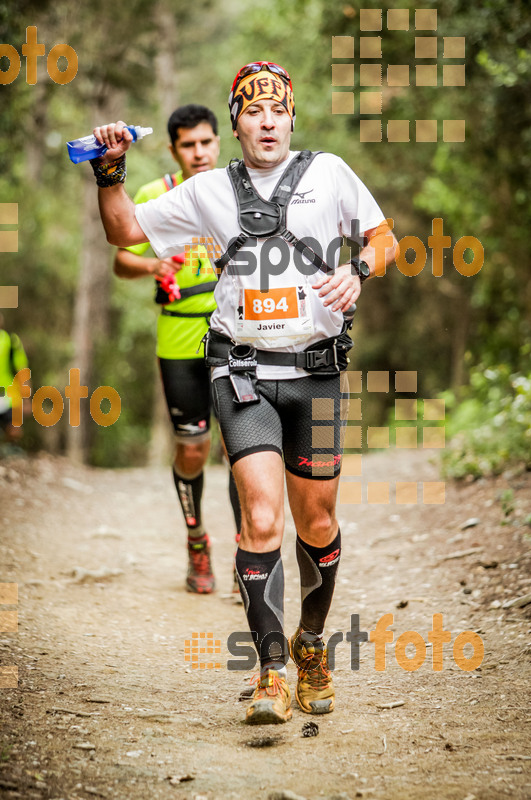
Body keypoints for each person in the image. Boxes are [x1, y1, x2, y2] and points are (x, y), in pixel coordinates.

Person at [89, 61, 399, 725]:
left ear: (290, 117)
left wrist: (358, 270)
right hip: (242, 374)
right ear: (235, 122)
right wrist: (108, 171)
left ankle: (310, 643)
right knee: (261, 517)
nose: (266, 120)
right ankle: (269, 673)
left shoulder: (329, 172)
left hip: (315, 373)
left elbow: (383, 237)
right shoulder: (207, 190)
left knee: (315, 522)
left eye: (277, 110)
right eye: (252, 111)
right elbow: (123, 233)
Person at [113, 104, 241, 595]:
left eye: (207, 142)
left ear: (218, 142)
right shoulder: (154, 195)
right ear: (173, 150)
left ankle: (245, 550)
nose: (199, 152)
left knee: (240, 448)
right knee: (192, 449)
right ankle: (196, 541)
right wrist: (153, 267)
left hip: (237, 340)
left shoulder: (237, 189)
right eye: (188, 144)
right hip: (179, 342)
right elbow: (123, 258)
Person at [0, 314, 29, 447]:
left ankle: (7, 450)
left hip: (9, 395)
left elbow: (22, 370)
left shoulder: (12, 341)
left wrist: (26, 398)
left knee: (14, 430)